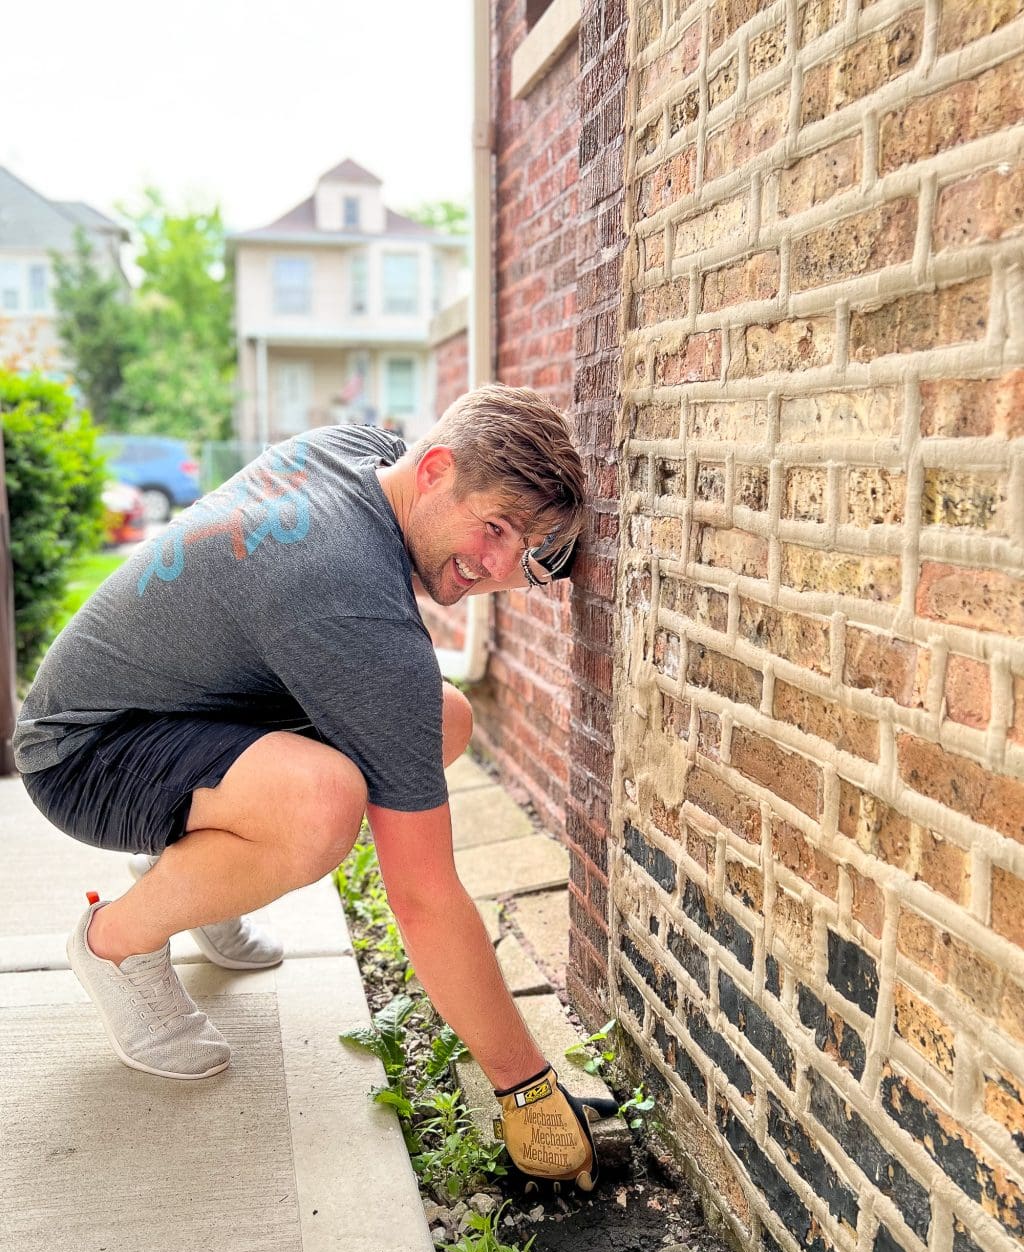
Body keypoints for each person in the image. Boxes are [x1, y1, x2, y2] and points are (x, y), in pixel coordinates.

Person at [14, 383, 615, 1189]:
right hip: (82, 751)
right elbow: (424, 899)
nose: (500, 568)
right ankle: (116, 943)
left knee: (441, 720)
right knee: (319, 805)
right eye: (494, 528)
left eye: (527, 548)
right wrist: (525, 1085)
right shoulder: (348, 599)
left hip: (175, 705)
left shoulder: (362, 456)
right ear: (436, 469)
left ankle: (197, 881)